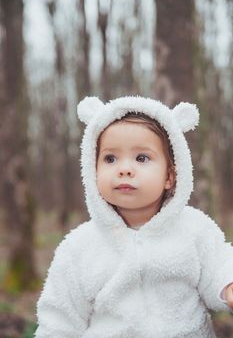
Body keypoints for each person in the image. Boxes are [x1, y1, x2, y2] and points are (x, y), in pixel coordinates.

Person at [35, 96, 233, 338]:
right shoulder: (79, 246)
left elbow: (220, 266)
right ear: (91, 168)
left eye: (142, 158)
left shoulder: (194, 229)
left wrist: (228, 285)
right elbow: (59, 319)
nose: (124, 169)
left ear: (170, 175)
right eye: (110, 158)